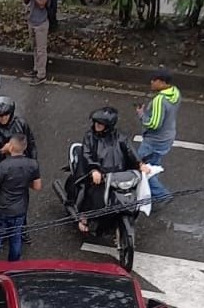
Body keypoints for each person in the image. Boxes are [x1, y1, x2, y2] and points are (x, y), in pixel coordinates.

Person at [67, 106, 144, 234]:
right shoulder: (89, 137)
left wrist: (140, 164)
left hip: (117, 175)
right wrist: (94, 169)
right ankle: (82, 217)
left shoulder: (120, 137)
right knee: (86, 191)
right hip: (98, 175)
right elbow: (87, 154)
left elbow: (130, 151)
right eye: (96, 122)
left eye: (101, 123)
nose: (97, 125)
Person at [0, 134, 41, 263]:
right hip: (20, 209)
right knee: (16, 237)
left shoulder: (4, 165)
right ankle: (13, 266)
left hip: (1, 208)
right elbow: (37, 186)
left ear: (11, 147)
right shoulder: (32, 164)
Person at [137, 68, 181, 204]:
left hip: (154, 141)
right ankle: (150, 192)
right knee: (153, 165)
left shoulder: (160, 100)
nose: (151, 82)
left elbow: (154, 124)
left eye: (154, 80)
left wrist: (141, 115)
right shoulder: (176, 93)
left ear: (162, 82)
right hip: (167, 137)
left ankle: (161, 195)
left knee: (141, 168)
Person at [0, 95, 38, 179]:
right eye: (0, 116)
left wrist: (33, 164)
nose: (3, 118)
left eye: (6, 114)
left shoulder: (21, 124)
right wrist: (1, 151)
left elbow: (31, 144)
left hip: (20, 166)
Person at [24, 0, 51, 85]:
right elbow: (27, 1)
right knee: (34, 47)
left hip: (41, 23)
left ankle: (41, 74)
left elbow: (41, 4)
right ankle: (36, 69)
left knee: (41, 50)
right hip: (32, 21)